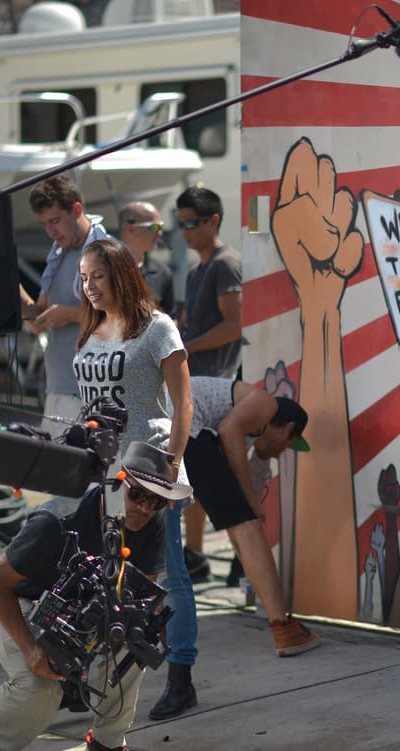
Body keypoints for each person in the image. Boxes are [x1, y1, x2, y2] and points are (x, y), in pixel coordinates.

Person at [0, 438, 190, 751]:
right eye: (138, 494)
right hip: (15, 598)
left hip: (84, 601)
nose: (144, 507)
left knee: (132, 646)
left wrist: (142, 627)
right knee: (40, 686)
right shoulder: (57, 519)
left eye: (156, 501)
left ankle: (106, 744)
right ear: (118, 483)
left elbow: (142, 591)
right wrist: (31, 650)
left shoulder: (150, 522)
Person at [70, 238, 200, 720]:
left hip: (149, 471)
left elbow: (183, 402)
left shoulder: (157, 328)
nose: (89, 286)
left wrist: (171, 461)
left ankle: (181, 676)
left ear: (121, 274)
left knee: (163, 576)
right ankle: (100, 678)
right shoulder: (91, 331)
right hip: (100, 476)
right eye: (83, 278)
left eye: (97, 276)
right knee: (104, 578)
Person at [149, 374, 318, 719]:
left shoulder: (241, 410)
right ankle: (282, 627)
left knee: (159, 546)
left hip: (158, 433)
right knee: (246, 526)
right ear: (286, 429)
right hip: (187, 427)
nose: (281, 452)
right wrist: (249, 498)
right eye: (287, 445)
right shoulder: (264, 402)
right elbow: (228, 433)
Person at [175, 186, 243, 581]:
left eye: (191, 223)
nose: (184, 231)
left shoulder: (225, 264)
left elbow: (235, 325)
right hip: (196, 387)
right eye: (180, 223)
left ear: (213, 221)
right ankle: (196, 554)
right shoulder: (198, 270)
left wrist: (185, 345)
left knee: (222, 481)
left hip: (217, 389)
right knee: (194, 480)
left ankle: (242, 557)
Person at [22, 174, 108, 438]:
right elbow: (38, 323)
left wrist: (69, 314)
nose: (50, 231)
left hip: (94, 393)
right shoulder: (57, 254)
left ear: (77, 210)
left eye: (55, 221)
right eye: (44, 224)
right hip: (57, 388)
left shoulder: (106, 251)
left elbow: (120, 316)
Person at [117, 201, 173, 315]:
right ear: (130, 229)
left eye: (161, 227)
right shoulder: (103, 270)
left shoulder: (162, 273)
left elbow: (172, 318)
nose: (160, 233)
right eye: (155, 227)